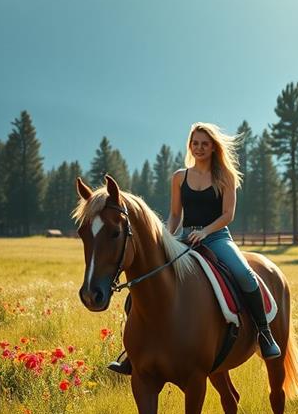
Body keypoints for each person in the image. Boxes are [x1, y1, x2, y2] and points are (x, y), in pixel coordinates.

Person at [108, 122, 280, 375]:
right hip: (184, 238)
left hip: (217, 237)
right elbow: (176, 214)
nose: (199, 148)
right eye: (195, 143)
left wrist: (206, 231)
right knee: (145, 284)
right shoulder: (180, 177)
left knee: (245, 274)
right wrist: (166, 236)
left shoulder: (225, 177)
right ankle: (133, 353)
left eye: (204, 144)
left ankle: (264, 334)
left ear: (213, 147)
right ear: (190, 146)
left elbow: (228, 214)